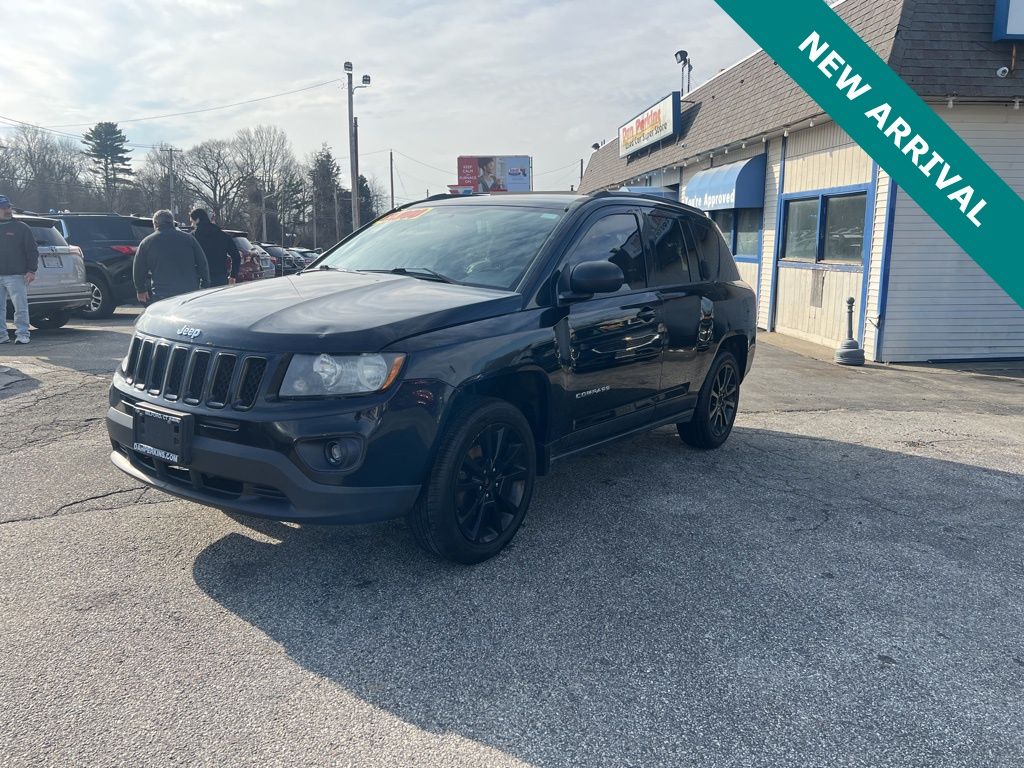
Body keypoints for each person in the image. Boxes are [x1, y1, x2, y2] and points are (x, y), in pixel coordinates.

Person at [133, 209, 210, 304]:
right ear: (172, 222)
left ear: (156, 224)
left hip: (162, 294)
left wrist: (140, 289)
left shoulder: (147, 243)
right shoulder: (189, 239)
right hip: (189, 293)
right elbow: (202, 263)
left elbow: (138, 268)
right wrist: (205, 285)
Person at [0, 195, 38, 344]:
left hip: (16, 275)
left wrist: (31, 270)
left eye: (8, 207)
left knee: (20, 307)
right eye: (3, 207)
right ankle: (2, 335)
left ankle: (23, 334)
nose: (7, 210)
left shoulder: (21, 227)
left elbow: (32, 251)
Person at [189, 207, 240, 287]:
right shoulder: (223, 236)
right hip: (220, 278)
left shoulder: (193, 237)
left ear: (198, 220)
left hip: (200, 279)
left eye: (192, 222)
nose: (192, 225)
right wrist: (233, 275)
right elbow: (236, 256)